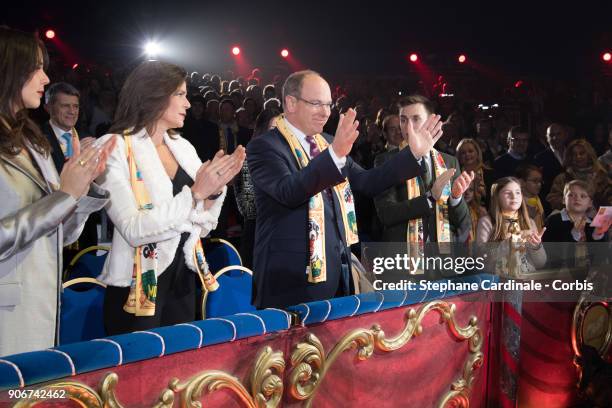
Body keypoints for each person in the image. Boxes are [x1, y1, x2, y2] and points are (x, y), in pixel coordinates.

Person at [247, 70, 443, 309]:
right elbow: (289, 191)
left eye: (328, 104)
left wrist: (413, 155)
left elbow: (369, 182)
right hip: (290, 280)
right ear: (291, 103)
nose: (326, 112)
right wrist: (334, 155)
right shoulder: (265, 146)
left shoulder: (327, 142)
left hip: (339, 273)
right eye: (316, 103)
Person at [96, 61, 245, 335]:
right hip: (137, 285)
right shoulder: (113, 147)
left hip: (183, 277)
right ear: (152, 94)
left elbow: (202, 223)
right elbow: (133, 228)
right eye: (180, 94)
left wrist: (214, 190)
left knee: (179, 372)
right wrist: (196, 193)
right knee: (140, 373)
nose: (188, 104)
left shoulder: (182, 146)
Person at [0, 27, 114, 356]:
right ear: (9, 70)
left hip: (44, 303)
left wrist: (82, 188)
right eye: (35, 67)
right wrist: (64, 196)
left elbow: (59, 234)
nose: (46, 78)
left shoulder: (31, 141)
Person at [374, 95, 473, 248]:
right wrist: (429, 198)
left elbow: (462, 222)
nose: (408, 127)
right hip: (403, 259)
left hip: (442, 260)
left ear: (430, 121)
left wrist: (456, 198)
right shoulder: (386, 161)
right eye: (403, 120)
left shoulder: (449, 161)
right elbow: (386, 214)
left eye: (416, 119)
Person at [234, 107, 282, 269]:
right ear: (262, 129)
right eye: (274, 129)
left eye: (284, 129)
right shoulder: (250, 156)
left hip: (280, 233)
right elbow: (248, 208)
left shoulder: (287, 156)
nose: (279, 134)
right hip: (258, 232)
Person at [476, 177, 547, 277]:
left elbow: (540, 264)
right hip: (499, 281)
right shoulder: (486, 222)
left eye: (518, 192)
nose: (514, 197)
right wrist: (511, 242)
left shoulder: (529, 223)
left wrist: (536, 247)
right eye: (507, 193)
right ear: (497, 197)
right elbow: (482, 260)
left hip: (527, 280)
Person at [546, 139, 611, 211]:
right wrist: (573, 203)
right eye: (574, 154)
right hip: (570, 218)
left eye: (582, 153)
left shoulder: (601, 177)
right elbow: (552, 199)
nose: (578, 157)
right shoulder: (563, 178)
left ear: (589, 155)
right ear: (570, 157)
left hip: (598, 218)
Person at [517, 164, 545, 231]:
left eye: (540, 181)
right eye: (535, 181)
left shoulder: (536, 198)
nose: (539, 184)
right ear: (522, 182)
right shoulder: (517, 202)